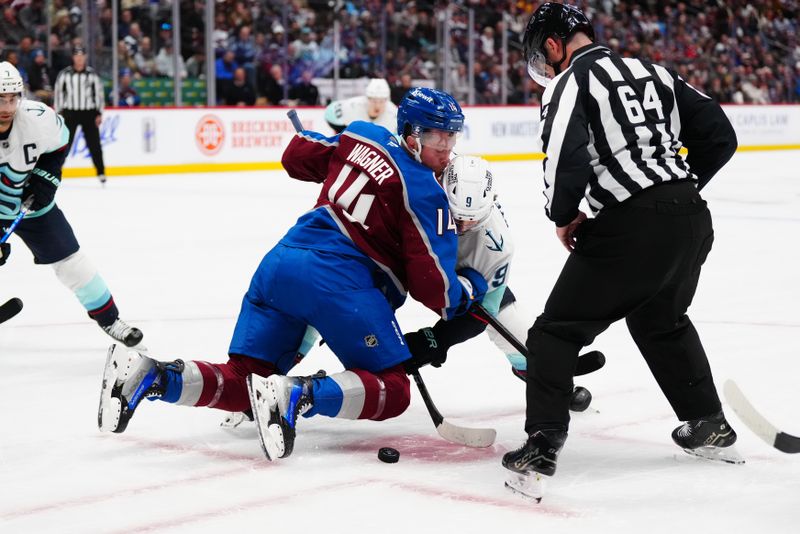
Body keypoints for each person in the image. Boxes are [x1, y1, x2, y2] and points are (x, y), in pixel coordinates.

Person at [97, 88, 486, 463]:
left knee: (246, 379)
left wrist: (323, 145)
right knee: (394, 390)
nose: (446, 146)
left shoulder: (361, 135)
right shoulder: (427, 195)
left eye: (452, 135)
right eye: (436, 135)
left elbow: (297, 157)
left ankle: (150, 376)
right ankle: (300, 395)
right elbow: (435, 290)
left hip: (281, 266)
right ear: (411, 133)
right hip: (340, 282)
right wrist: (472, 287)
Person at [502, 3, 740, 499]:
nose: (544, 67)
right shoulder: (653, 70)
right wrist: (679, 186)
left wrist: (565, 216)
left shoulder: (568, 84)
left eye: (542, 55)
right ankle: (707, 424)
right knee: (661, 319)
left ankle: (542, 444)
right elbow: (720, 134)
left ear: (553, 44)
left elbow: (564, 160)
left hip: (633, 226)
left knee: (554, 333)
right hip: (692, 218)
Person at [401, 154, 600, 412]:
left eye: (470, 220)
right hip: (411, 252)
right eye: (457, 217)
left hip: (463, 272)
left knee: (514, 329)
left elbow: (484, 310)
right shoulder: (434, 170)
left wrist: (437, 340)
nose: (461, 226)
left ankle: (540, 373)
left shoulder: (498, 247)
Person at [0, 62, 143, 346]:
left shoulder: (37, 117)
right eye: (0, 99)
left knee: (71, 261)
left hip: (32, 205)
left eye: (12, 98)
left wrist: (46, 178)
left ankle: (111, 320)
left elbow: (59, 144)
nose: (7, 106)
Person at [53, 46, 107, 184]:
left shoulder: (92, 74)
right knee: (64, 144)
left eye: (82, 55)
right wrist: (59, 113)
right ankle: (55, 171)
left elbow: (99, 94)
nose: (79, 58)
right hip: (70, 113)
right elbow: (59, 94)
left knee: (94, 144)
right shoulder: (64, 74)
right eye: (77, 55)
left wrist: (99, 112)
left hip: (89, 113)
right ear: (73, 57)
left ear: (85, 57)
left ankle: (101, 172)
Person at [324, 78, 397, 134]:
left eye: (381, 101)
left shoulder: (394, 114)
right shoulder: (352, 106)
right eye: (374, 101)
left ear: (387, 100)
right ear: (367, 99)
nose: (377, 105)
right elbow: (330, 114)